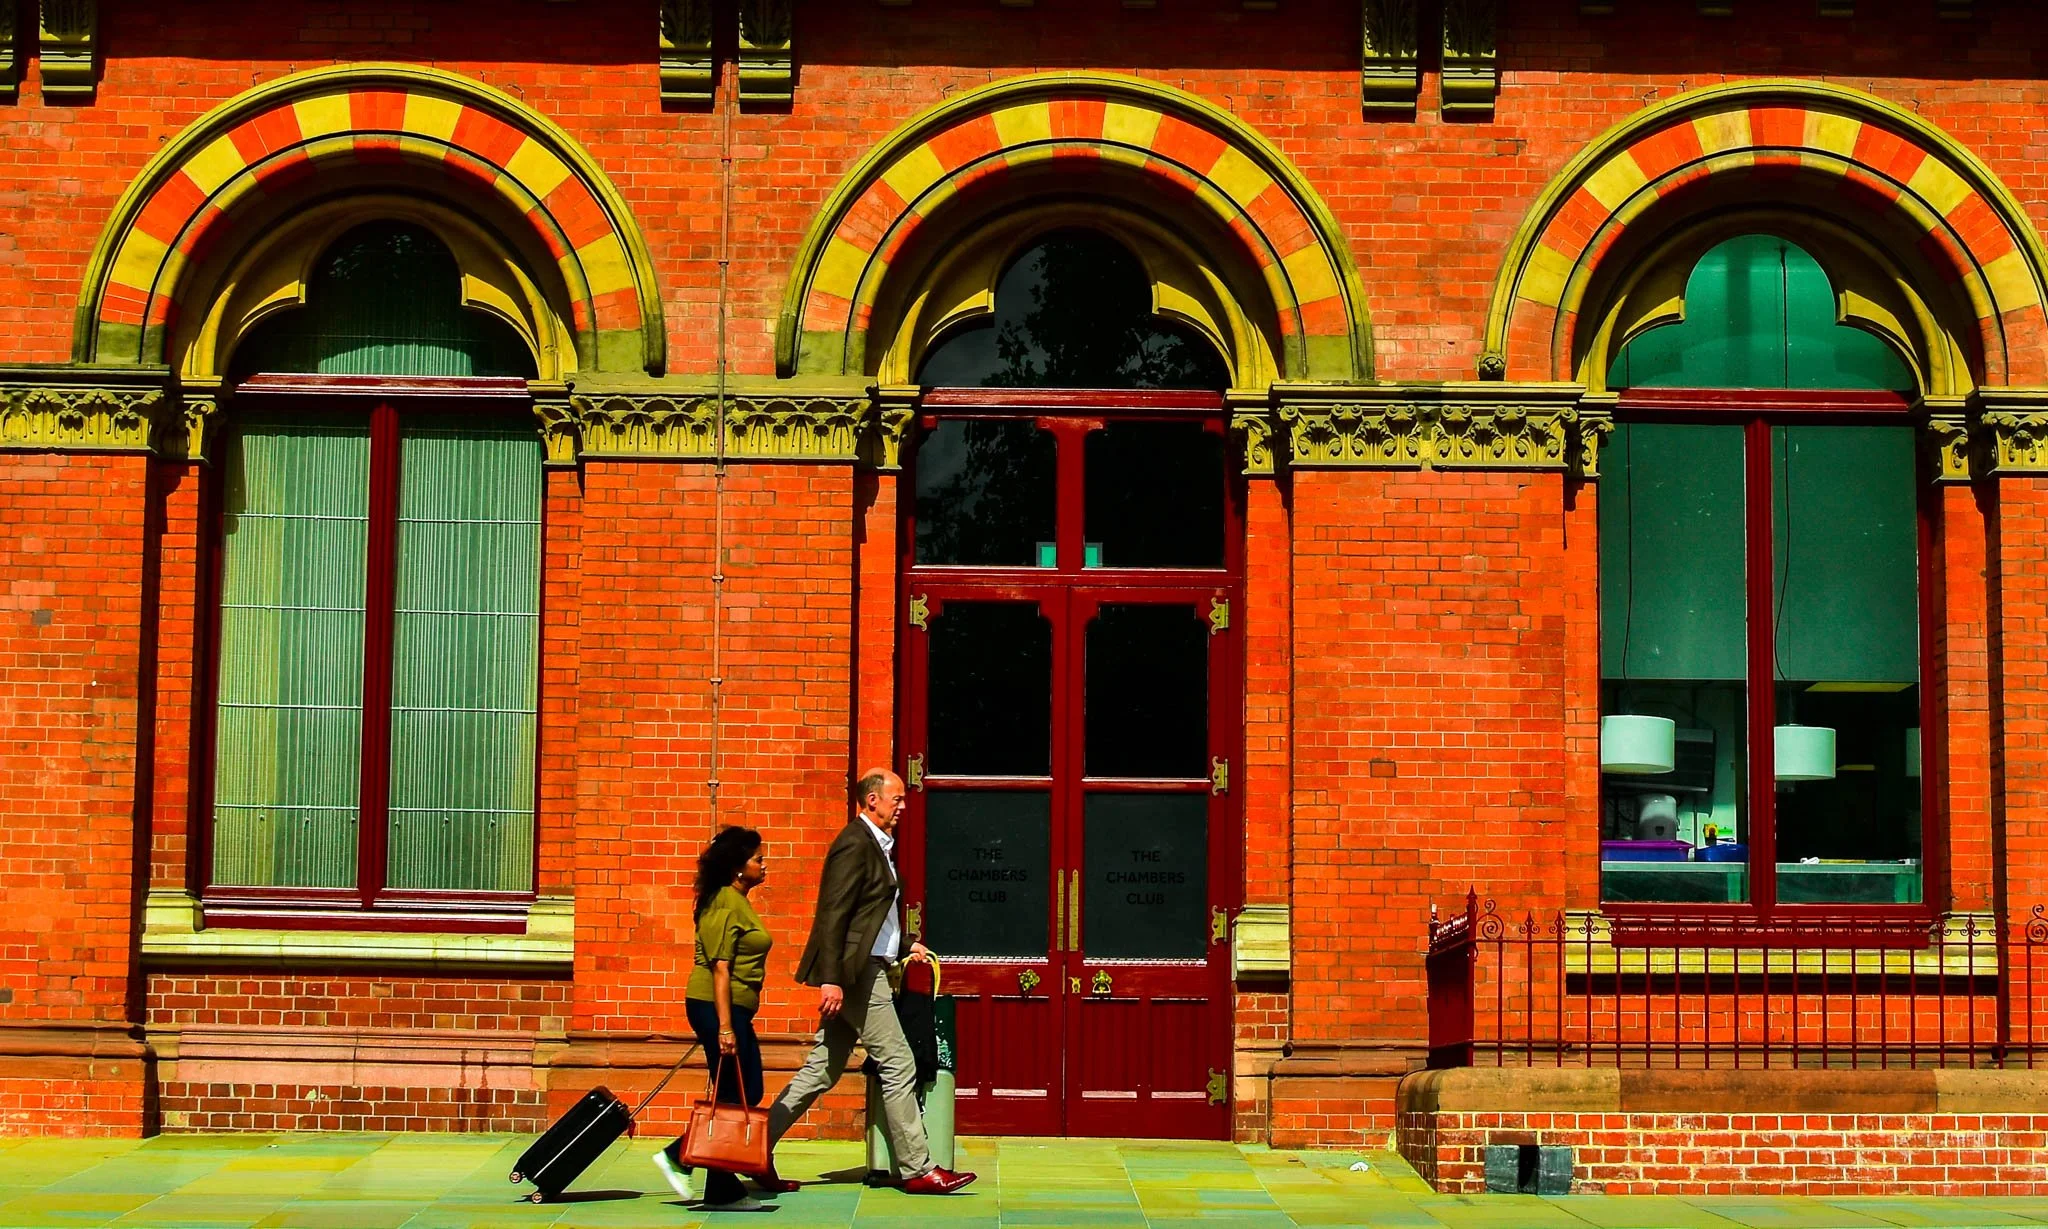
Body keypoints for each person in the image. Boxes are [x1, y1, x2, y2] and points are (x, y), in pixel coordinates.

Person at [765, 769, 977, 1196]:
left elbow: (869, 919)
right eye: (896, 798)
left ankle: (750, 1148)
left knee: (821, 1069)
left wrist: (904, 948)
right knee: (899, 1063)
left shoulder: (876, 845)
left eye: (903, 799)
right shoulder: (853, 843)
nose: (903, 805)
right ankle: (917, 1169)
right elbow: (833, 914)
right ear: (872, 800)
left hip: (867, 968)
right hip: (858, 976)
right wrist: (831, 980)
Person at [653, 825, 794, 1211]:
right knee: (736, 1089)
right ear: (737, 867)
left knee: (741, 1087)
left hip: (732, 1009)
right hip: (715, 1008)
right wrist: (726, 1026)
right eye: (758, 859)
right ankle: (701, 1173)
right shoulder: (723, 903)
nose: (764, 865)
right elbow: (719, 968)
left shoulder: (738, 900)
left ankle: (699, 1170)